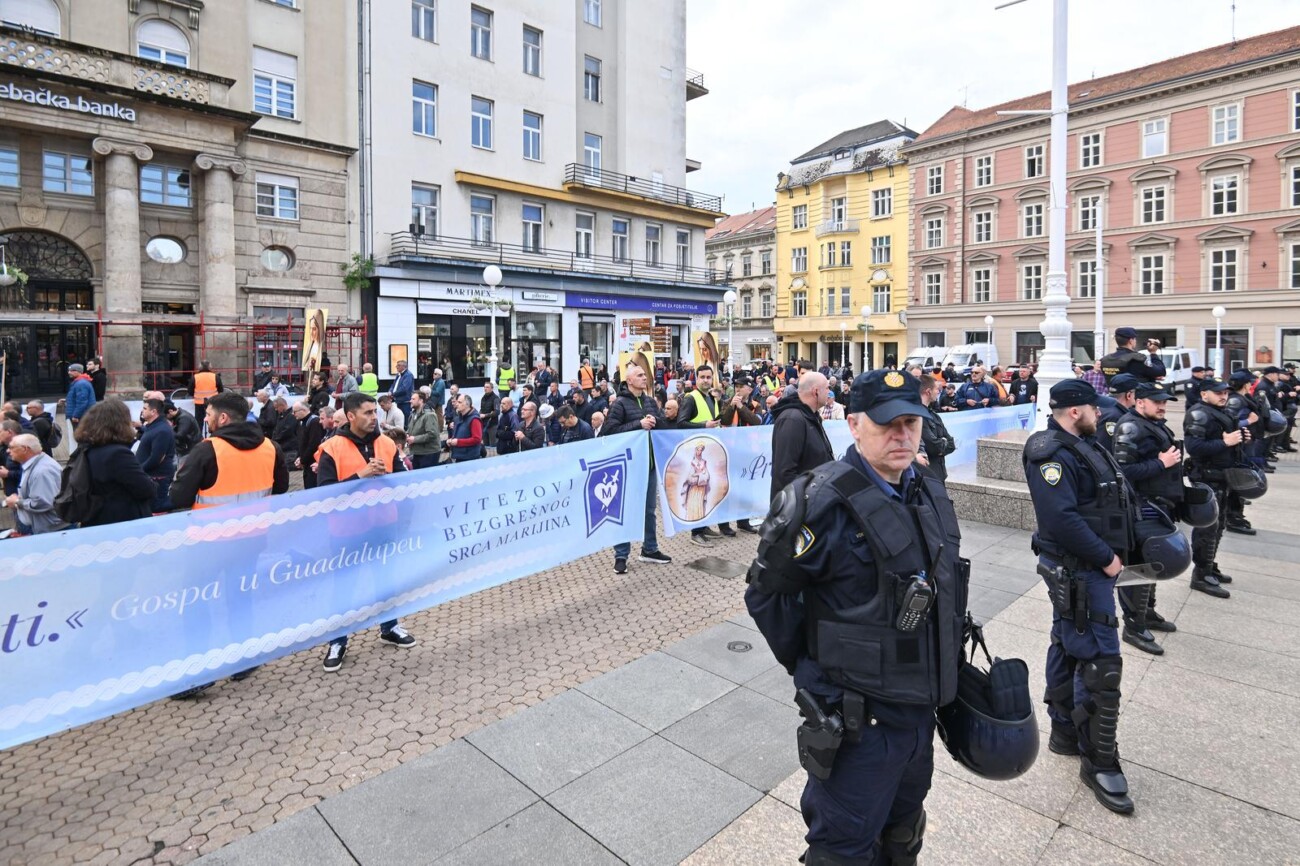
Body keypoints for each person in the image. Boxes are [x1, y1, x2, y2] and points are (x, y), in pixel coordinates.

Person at [746, 369, 968, 865]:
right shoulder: (817, 501)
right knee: (843, 851)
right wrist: (817, 671)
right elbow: (767, 598)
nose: (902, 435)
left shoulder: (928, 489)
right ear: (852, 425)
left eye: (911, 422)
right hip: (860, 723)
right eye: (887, 423)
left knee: (904, 833)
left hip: (919, 712)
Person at [1022, 379, 1136, 815]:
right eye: (1093, 408)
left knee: (1068, 644)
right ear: (1074, 411)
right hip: (1081, 569)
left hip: (1087, 569)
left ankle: (1066, 731)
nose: (1100, 414)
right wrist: (1107, 558)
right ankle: (1099, 760)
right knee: (1100, 662)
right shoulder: (1049, 453)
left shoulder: (1084, 444)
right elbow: (1061, 518)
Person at [317, 392, 416, 672]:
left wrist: (391, 477)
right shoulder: (331, 447)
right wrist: (361, 476)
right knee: (344, 587)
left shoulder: (385, 442)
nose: (374, 417)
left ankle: (390, 627)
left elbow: (401, 480)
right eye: (368, 413)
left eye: (375, 412)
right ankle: (338, 641)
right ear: (350, 416)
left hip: (383, 525)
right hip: (346, 531)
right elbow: (324, 492)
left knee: (385, 579)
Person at [1111, 382, 1183, 655]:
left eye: (1164, 401)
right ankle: (1133, 625)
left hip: (1157, 504)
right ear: (1140, 402)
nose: (1163, 406)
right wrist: (1161, 463)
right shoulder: (1130, 426)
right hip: (1140, 508)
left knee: (1151, 563)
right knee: (1138, 568)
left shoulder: (1154, 423)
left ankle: (1147, 613)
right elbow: (1122, 471)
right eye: (1157, 401)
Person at [603, 361, 673, 574]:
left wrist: (655, 420)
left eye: (645, 375)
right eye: (640, 375)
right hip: (628, 468)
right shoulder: (620, 404)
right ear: (629, 380)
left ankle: (650, 549)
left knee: (649, 510)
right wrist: (638, 424)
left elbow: (662, 425)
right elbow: (609, 432)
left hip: (649, 464)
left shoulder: (651, 401)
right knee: (625, 510)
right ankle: (621, 554)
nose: (645, 377)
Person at [1183, 377, 1241, 598]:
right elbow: (1194, 447)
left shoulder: (1220, 412)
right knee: (1207, 528)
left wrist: (1239, 438)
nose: (1224, 396)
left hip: (1223, 477)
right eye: (1218, 393)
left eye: (1225, 392)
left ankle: (1209, 565)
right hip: (1207, 477)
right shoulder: (1199, 413)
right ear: (1204, 394)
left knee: (1219, 525)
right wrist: (1226, 443)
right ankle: (1200, 574)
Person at [73, 400, 157, 526]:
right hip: (123, 523)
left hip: (96, 519)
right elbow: (145, 489)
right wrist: (153, 483)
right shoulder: (118, 454)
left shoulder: (87, 449)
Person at [769, 372, 835, 502]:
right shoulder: (792, 419)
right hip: (800, 509)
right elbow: (785, 473)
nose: (829, 392)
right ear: (815, 391)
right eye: (827, 388)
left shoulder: (810, 416)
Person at [4, 434, 66, 535]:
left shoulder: (42, 471)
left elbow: (43, 502)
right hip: (42, 526)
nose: (8, 451)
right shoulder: (34, 464)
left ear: (25, 449)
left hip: (49, 530)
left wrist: (17, 502)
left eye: (11, 447)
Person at [136, 398, 177, 512]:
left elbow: (156, 458)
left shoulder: (162, 430)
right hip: (151, 476)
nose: (142, 411)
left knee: (156, 508)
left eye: (145, 408)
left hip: (158, 478)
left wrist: (138, 470)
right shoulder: (153, 426)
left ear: (153, 412)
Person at [917, 374, 956, 482]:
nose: (938, 392)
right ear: (928, 391)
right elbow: (932, 446)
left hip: (939, 473)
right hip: (927, 475)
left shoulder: (934, 415)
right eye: (936, 389)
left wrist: (941, 444)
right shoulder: (917, 415)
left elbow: (951, 444)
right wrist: (941, 444)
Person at [1099, 327, 1166, 384]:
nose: (1135, 341)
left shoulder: (1105, 360)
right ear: (1131, 341)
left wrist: (1148, 375)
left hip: (1114, 397)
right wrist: (1153, 353)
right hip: (1134, 397)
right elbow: (1161, 372)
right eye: (1134, 339)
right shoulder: (1137, 359)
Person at [291, 402, 325, 488]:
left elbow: (314, 444)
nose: (293, 414)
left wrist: (303, 460)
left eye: (295, 412)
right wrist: (299, 457)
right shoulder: (302, 422)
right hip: (307, 462)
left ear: (303, 410)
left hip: (313, 462)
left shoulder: (314, 422)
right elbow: (302, 442)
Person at [405, 389, 441, 470]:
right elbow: (410, 429)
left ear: (421, 400)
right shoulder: (413, 414)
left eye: (413, 399)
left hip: (429, 453)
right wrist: (407, 435)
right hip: (417, 452)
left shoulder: (429, 415)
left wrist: (414, 439)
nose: (410, 401)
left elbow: (432, 434)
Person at [446, 393, 484, 462]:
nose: (457, 404)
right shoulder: (459, 418)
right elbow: (461, 434)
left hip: (470, 458)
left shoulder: (474, 419)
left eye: (460, 402)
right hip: (460, 456)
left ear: (467, 404)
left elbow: (477, 439)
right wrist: (451, 440)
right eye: (457, 402)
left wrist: (458, 442)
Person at [65, 363, 96, 430]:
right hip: (82, 415)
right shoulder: (80, 382)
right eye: (69, 370)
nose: (69, 372)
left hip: (81, 417)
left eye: (72, 371)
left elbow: (82, 402)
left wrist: (76, 415)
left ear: (78, 371)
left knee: (79, 436)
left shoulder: (81, 383)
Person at [428, 368, 447, 435]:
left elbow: (438, 392)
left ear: (439, 375)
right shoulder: (436, 381)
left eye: (435, 374)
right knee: (437, 415)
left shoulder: (441, 382)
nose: (433, 375)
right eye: (433, 373)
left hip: (438, 401)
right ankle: (438, 428)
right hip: (435, 401)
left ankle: (440, 429)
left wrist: (430, 390)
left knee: (439, 415)